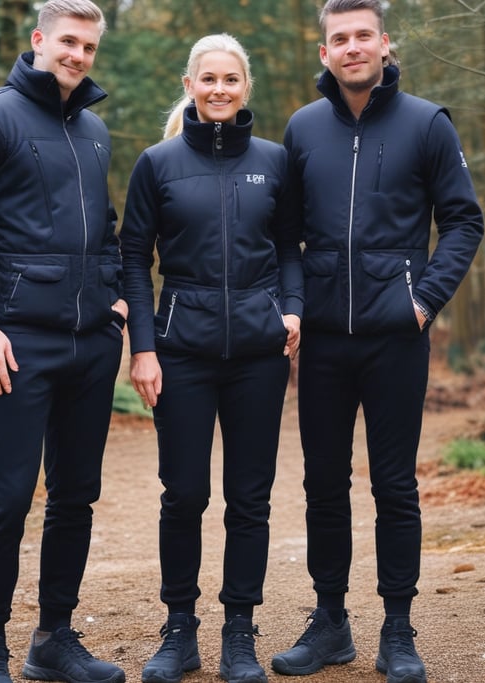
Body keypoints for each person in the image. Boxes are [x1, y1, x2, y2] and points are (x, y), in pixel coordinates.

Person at [270, 2, 484, 683]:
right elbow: (286, 237)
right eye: (341, 38)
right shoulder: (302, 129)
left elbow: (463, 222)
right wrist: (296, 306)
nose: (353, 46)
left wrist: (422, 301)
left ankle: (398, 627)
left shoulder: (427, 122)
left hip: (397, 338)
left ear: (385, 44)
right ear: (326, 49)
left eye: (364, 35)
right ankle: (329, 621)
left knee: (395, 485)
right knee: (323, 483)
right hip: (326, 341)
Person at [0, 2, 128, 682]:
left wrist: (115, 297)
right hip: (16, 344)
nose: (78, 54)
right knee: (8, 496)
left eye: (89, 45)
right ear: (40, 39)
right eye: (68, 41)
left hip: (91, 344)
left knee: (76, 494)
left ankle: (54, 638)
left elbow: (105, 227)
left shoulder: (95, 130)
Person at [119, 33, 303, 683]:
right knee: (185, 493)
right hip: (182, 353)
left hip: (260, 354)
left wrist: (293, 305)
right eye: (208, 79)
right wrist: (143, 347)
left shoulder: (275, 162)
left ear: (244, 88)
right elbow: (133, 262)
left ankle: (240, 633)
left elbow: (288, 246)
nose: (220, 89)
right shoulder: (157, 164)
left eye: (231, 79)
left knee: (249, 498)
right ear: (190, 85)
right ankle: (179, 631)